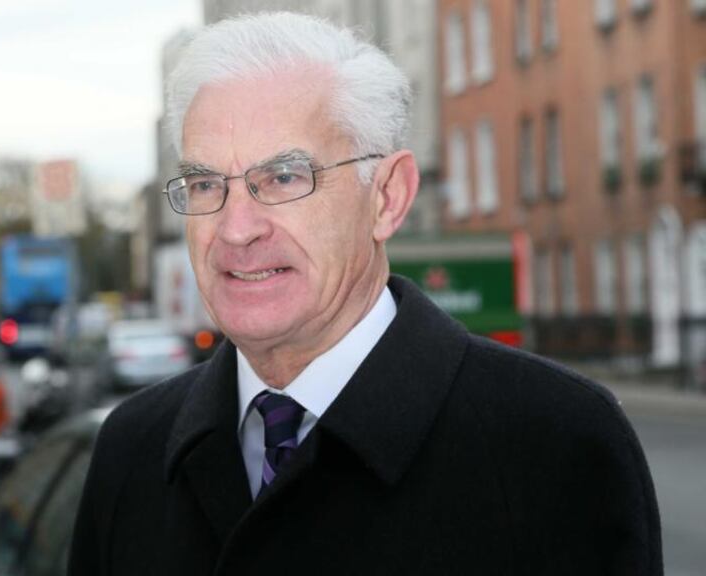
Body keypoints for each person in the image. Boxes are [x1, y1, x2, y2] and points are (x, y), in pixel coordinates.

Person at [69, 12, 661, 575]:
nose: (236, 227)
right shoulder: (132, 449)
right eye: (204, 184)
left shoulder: (556, 441)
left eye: (283, 177)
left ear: (387, 197)